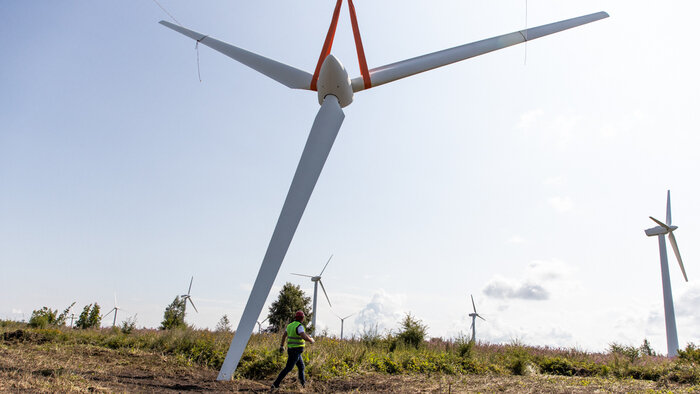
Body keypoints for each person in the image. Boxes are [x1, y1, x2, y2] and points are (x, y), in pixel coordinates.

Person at [271, 310, 314, 389]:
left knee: (301, 367)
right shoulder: (299, 326)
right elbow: (304, 336)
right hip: (296, 351)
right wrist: (311, 340)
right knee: (288, 368)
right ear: (302, 318)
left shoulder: (290, 325)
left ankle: (303, 385)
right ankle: (275, 384)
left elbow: (284, 336)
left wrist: (282, 346)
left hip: (292, 350)